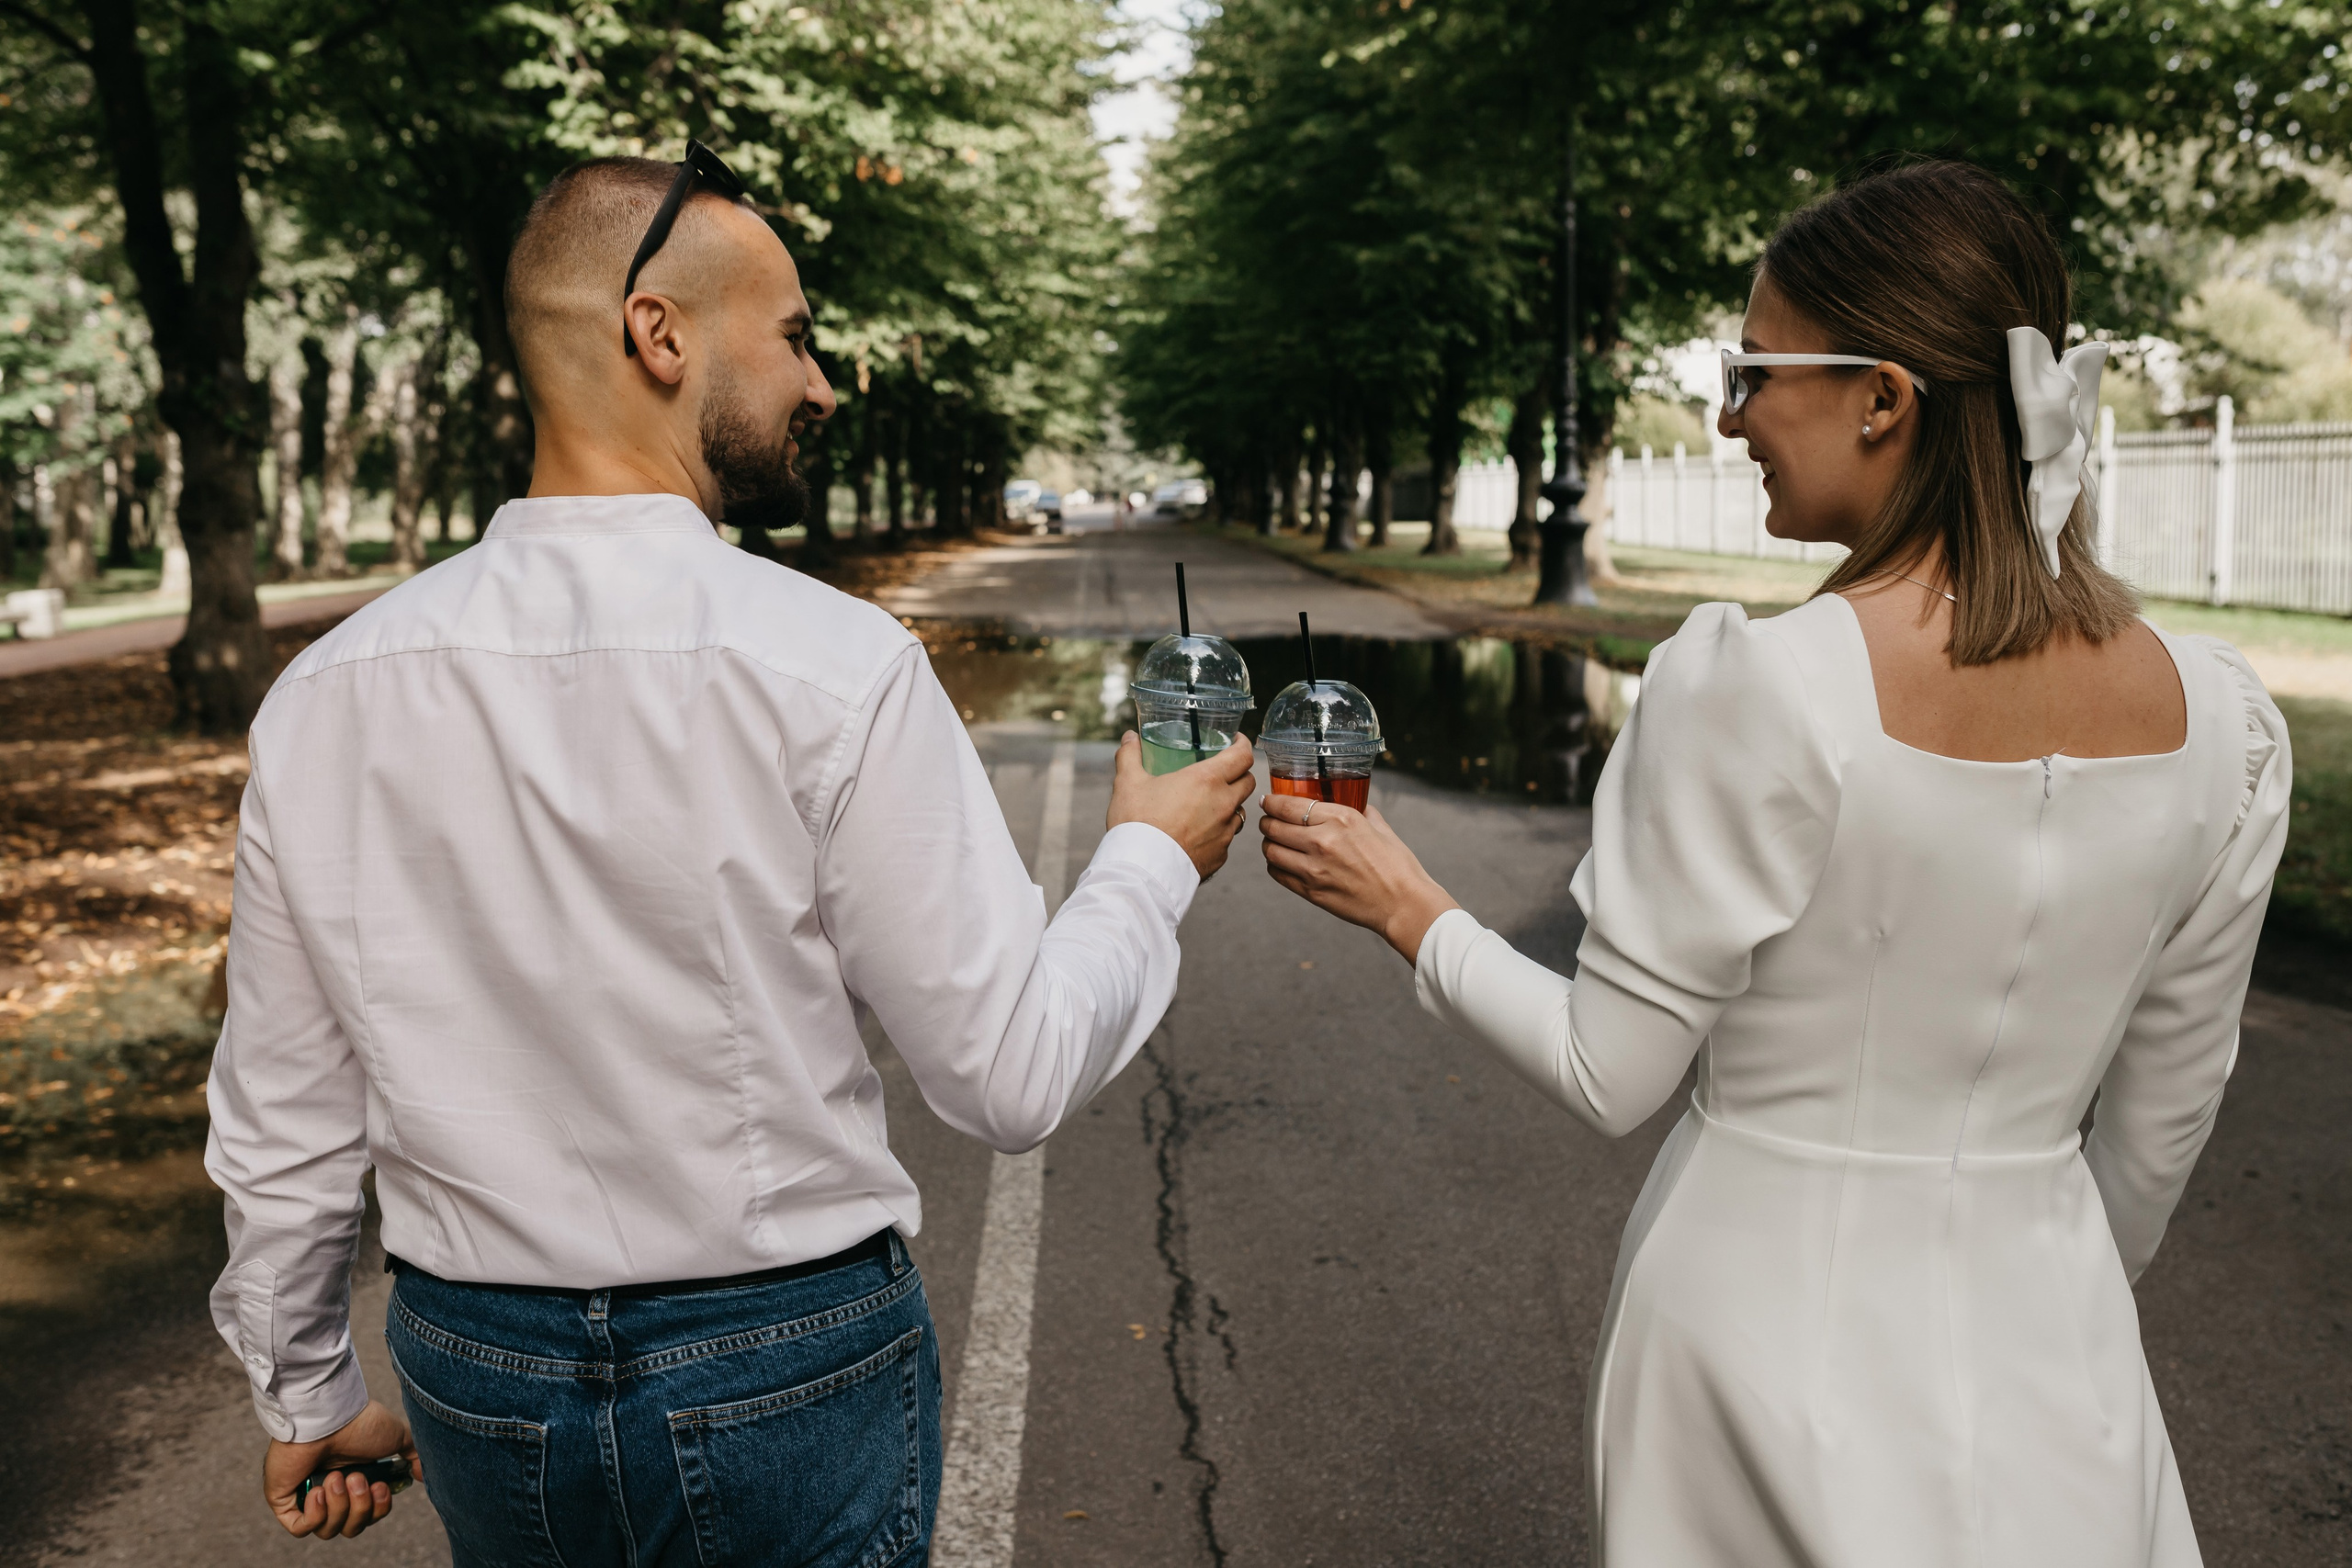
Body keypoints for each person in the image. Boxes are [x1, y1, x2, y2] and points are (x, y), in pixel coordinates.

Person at [204, 143, 1254, 1561]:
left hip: (478, 1368)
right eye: (799, 337)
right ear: (660, 334)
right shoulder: (833, 667)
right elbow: (1009, 1075)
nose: (822, 384)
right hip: (783, 1364)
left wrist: (309, 1387)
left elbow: (286, 1110)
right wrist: (1147, 859)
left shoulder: (331, 693)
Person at [1258, 160, 2289, 1567]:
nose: (1730, 412)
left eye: (1752, 367)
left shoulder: (1759, 686)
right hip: (2062, 1347)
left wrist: (1407, 902)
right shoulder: (2227, 722)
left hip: (1759, 1339)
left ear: (1884, 396)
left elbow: (1607, 1070)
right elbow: (2167, 1116)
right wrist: (2031, 1300)